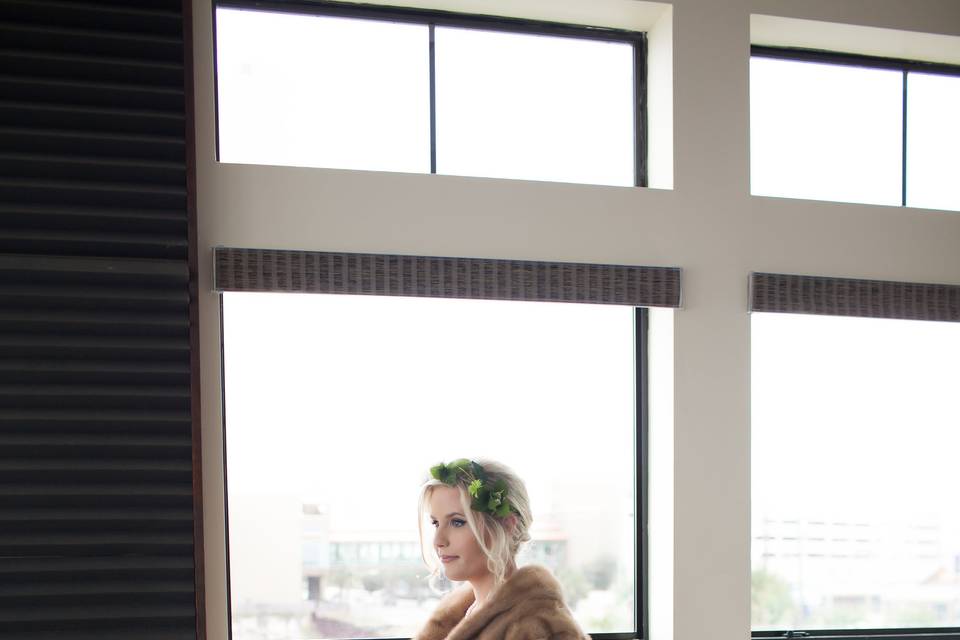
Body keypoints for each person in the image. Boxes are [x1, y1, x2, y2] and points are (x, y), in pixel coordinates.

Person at [413, 458, 590, 640]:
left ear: (507, 526)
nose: (438, 540)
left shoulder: (540, 628)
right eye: (435, 523)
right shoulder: (461, 615)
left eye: (457, 522)